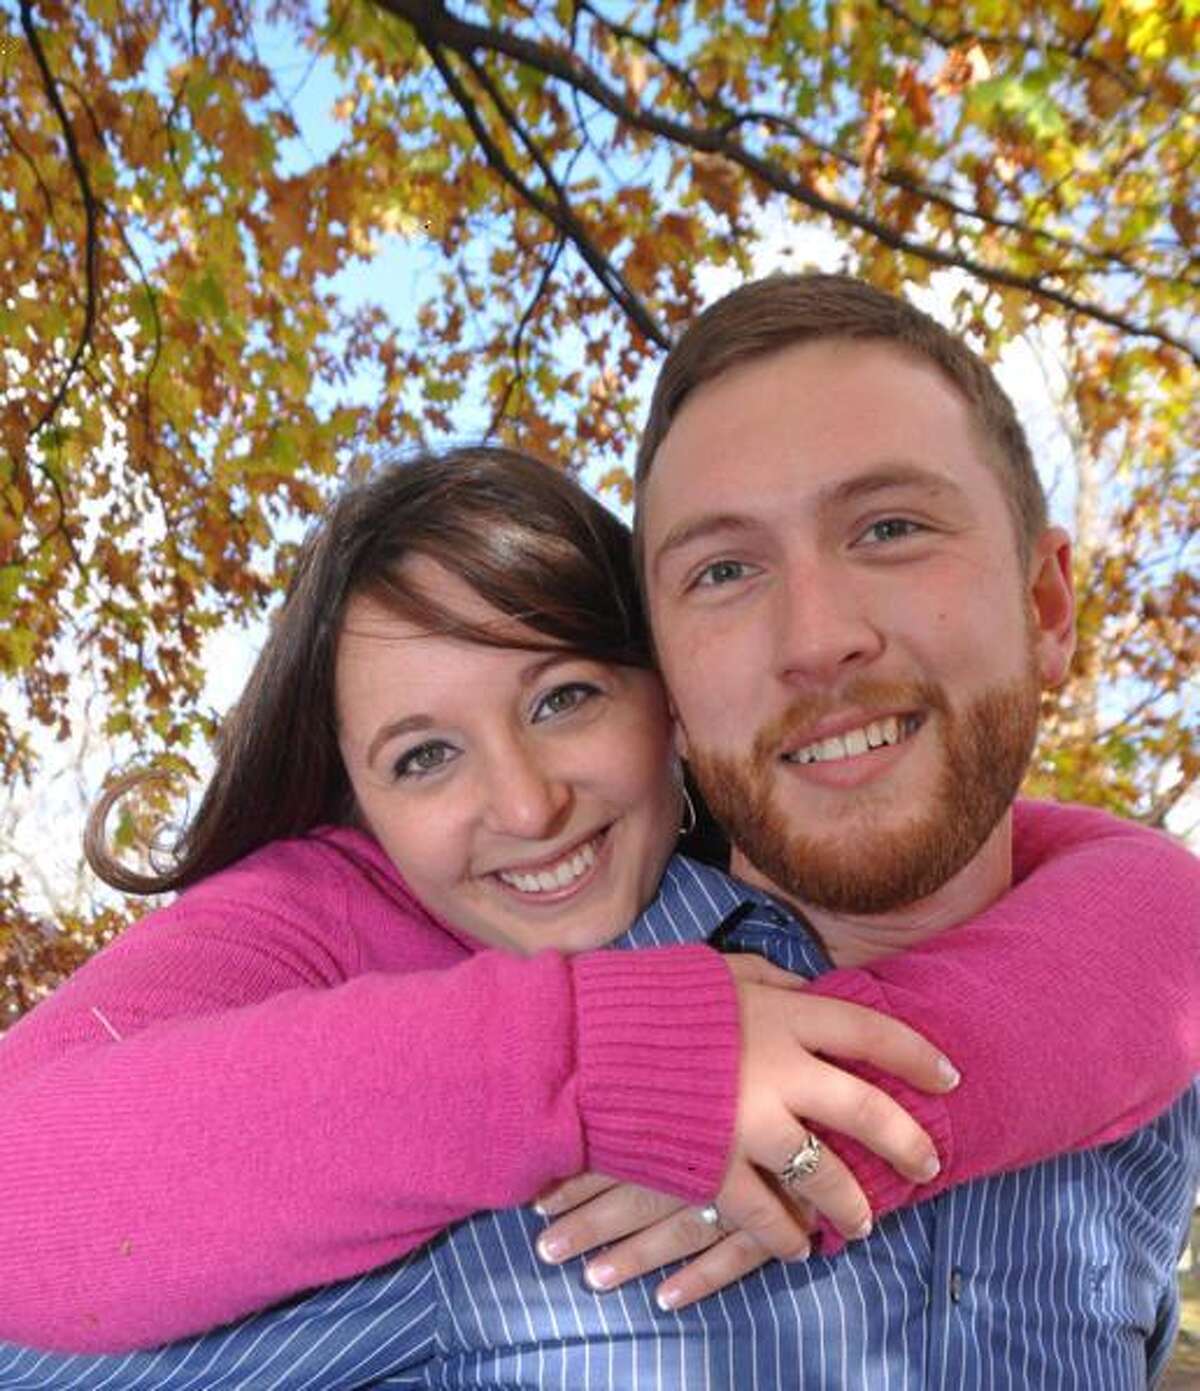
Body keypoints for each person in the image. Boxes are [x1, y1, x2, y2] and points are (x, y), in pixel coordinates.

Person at [0, 414, 1194, 1391]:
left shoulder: (784, 876)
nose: (526, 803)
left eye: (564, 697)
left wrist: (865, 1089)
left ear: (668, 694)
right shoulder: (319, 910)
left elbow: (1152, 901)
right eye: (423, 756)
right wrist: (624, 1062)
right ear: (359, 800)